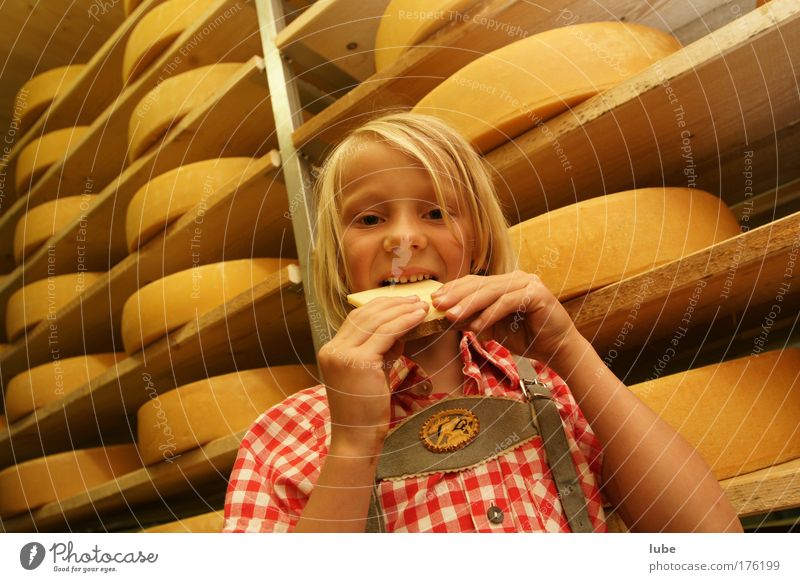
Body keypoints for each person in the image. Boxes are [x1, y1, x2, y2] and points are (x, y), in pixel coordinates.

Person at [223, 112, 742, 533]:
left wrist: (569, 349)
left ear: (480, 246)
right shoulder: (282, 437)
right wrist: (354, 442)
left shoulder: (552, 385)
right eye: (370, 219)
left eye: (436, 213)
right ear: (338, 258)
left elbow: (712, 544)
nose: (403, 241)